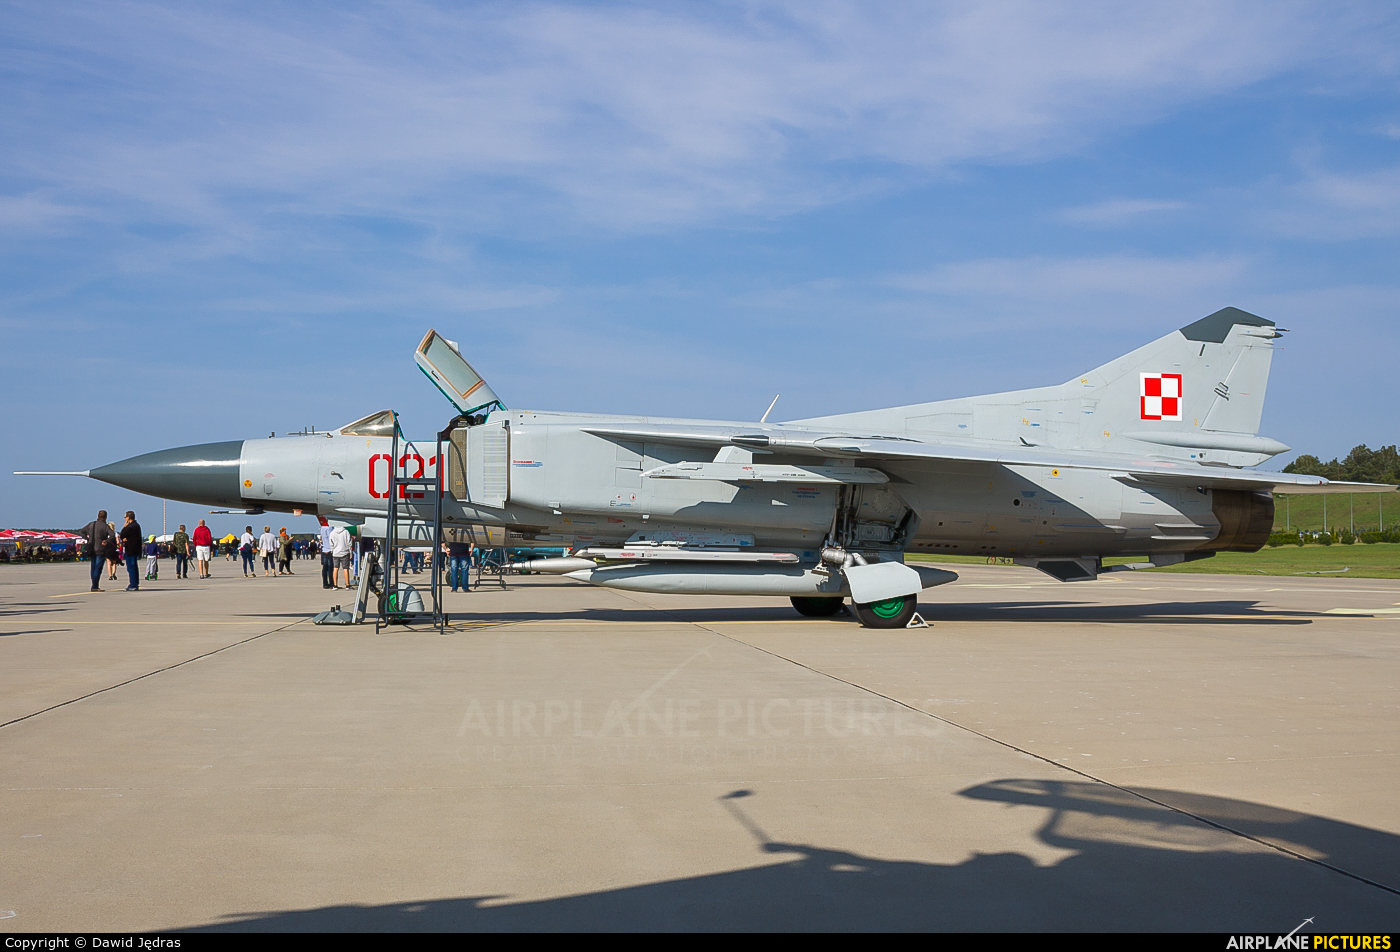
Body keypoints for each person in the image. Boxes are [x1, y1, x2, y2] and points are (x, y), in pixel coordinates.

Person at [77, 509, 115, 592]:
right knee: (98, 568)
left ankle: (94, 584)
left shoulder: (91, 524)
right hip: (100, 549)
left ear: (98, 516)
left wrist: (87, 539)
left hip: (91, 548)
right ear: (105, 517)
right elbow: (112, 535)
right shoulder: (105, 526)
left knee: (93, 568)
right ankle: (95, 586)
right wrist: (106, 541)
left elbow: (82, 531)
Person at [119, 511, 143, 591]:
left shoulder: (130, 526)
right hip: (135, 549)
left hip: (131, 550)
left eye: (125, 517)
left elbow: (122, 535)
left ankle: (133, 584)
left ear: (128, 517)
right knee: (134, 567)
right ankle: (135, 583)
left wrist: (124, 527)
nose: (125, 519)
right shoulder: (136, 526)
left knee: (131, 568)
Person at [329, 523, 353, 589]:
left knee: (335, 568)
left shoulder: (332, 533)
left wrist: (333, 550)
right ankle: (347, 585)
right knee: (345, 568)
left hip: (336, 553)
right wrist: (350, 552)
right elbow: (349, 543)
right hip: (344, 552)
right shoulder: (346, 532)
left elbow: (331, 544)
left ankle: (335, 585)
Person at [319, 520, 334, 588]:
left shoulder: (322, 528)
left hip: (324, 549)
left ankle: (325, 583)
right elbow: (331, 538)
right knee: (330, 568)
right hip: (330, 549)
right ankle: (331, 582)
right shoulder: (329, 528)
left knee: (325, 568)